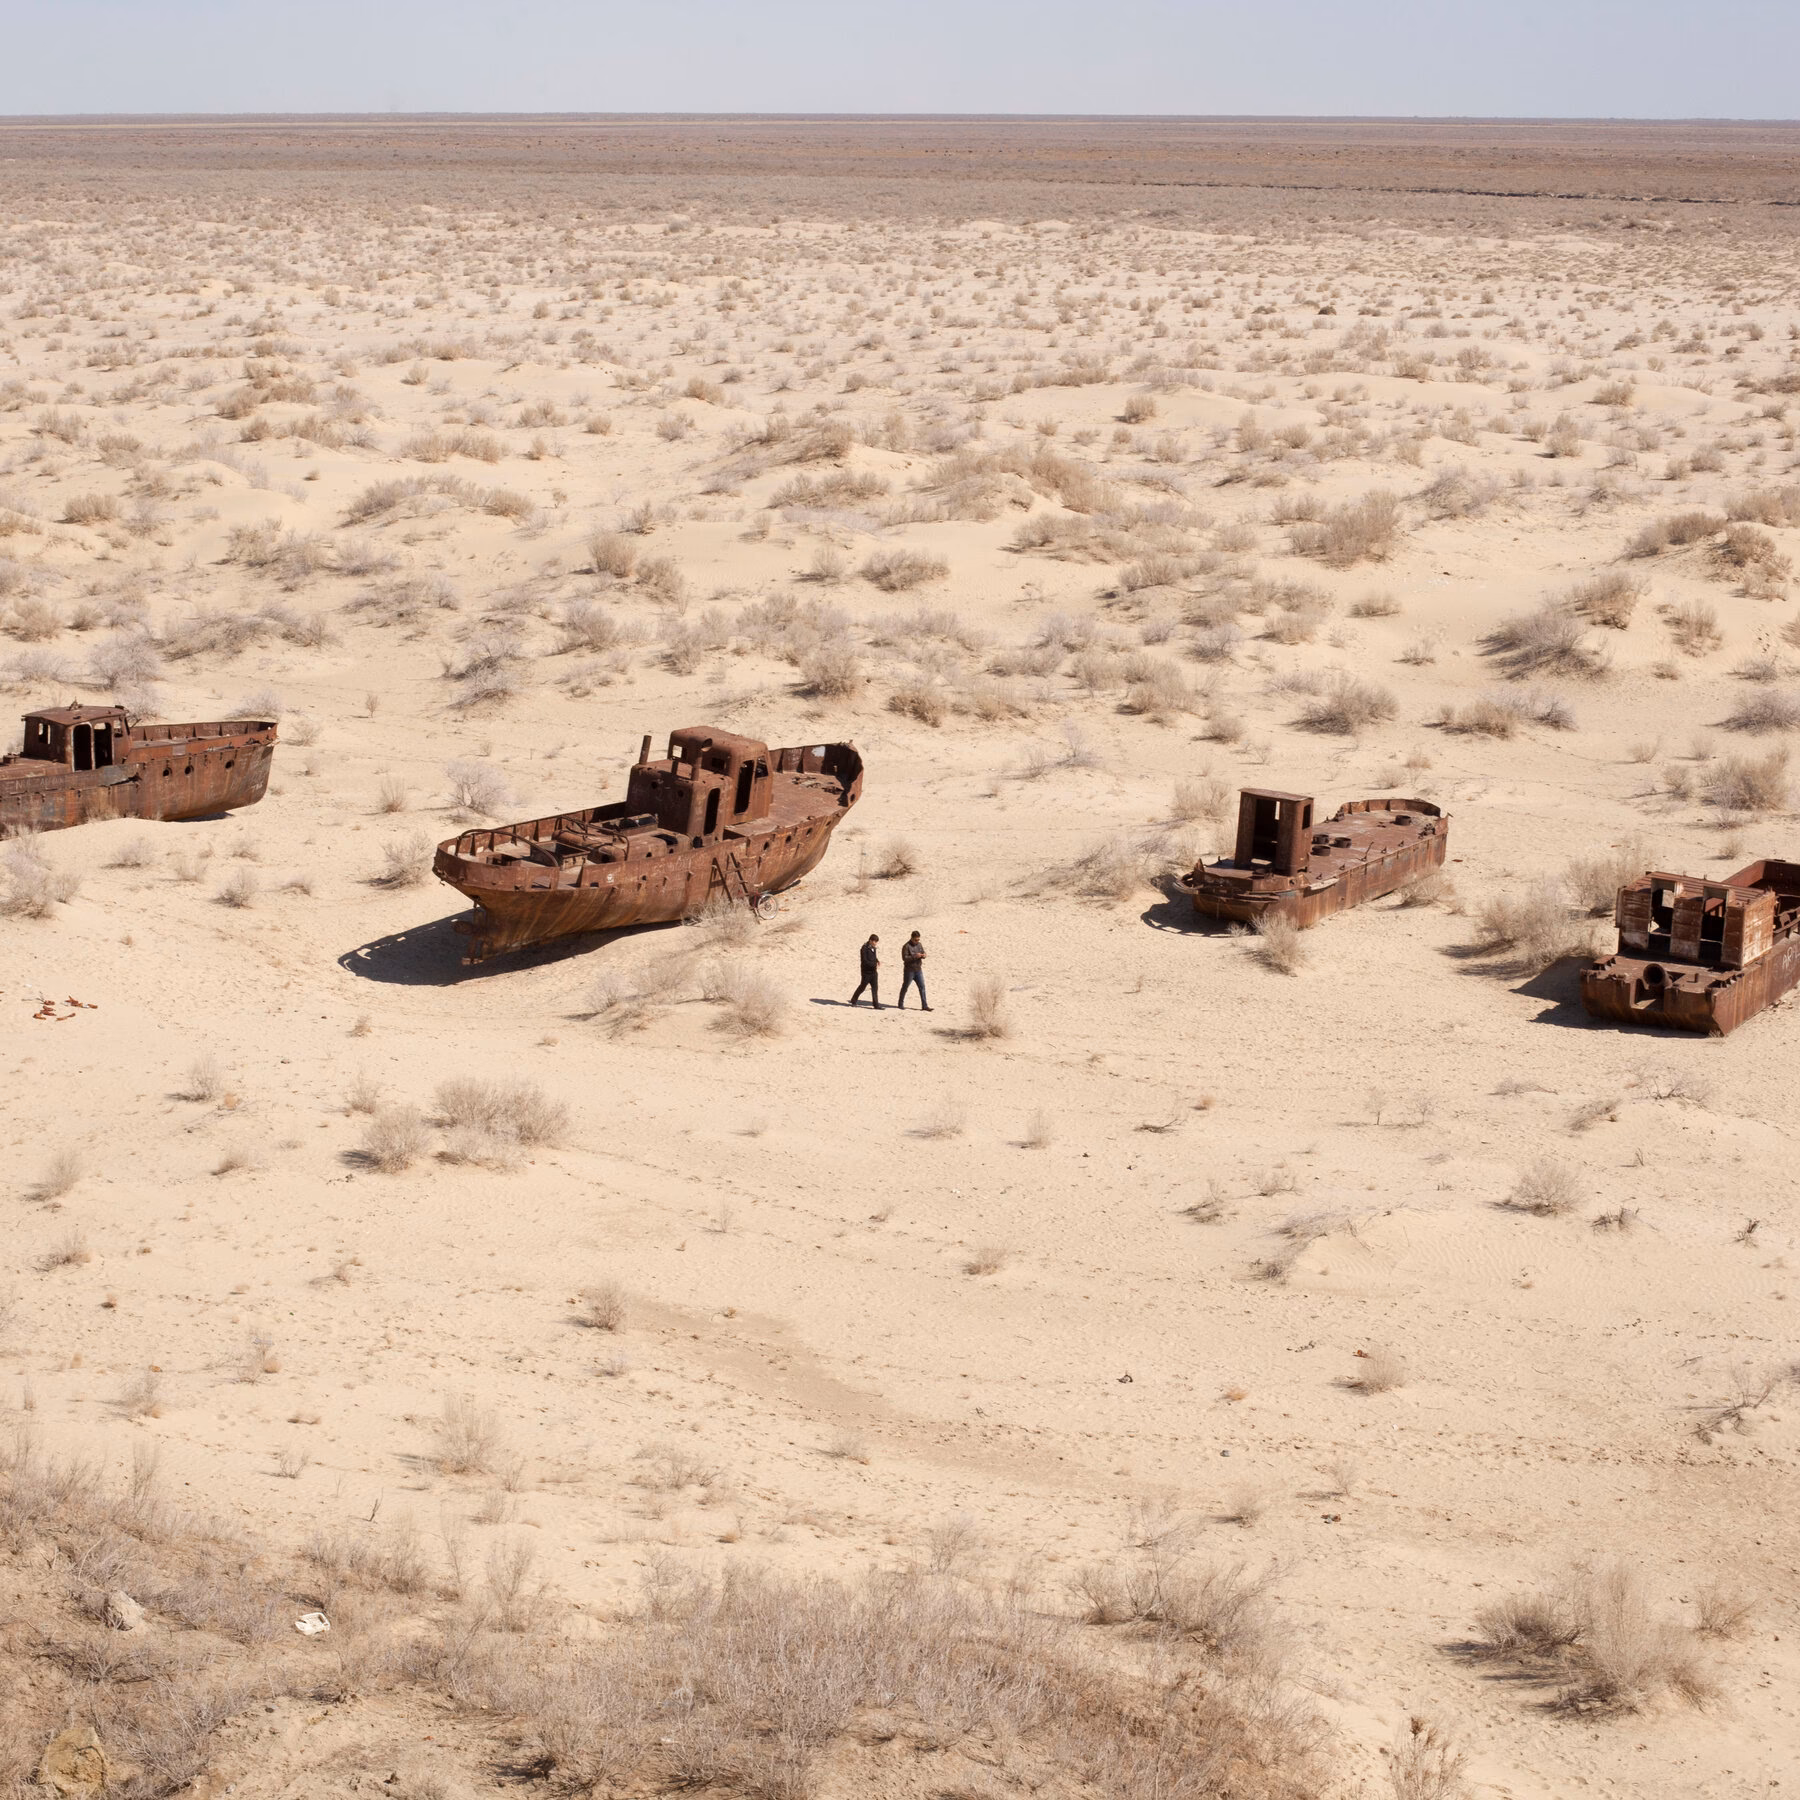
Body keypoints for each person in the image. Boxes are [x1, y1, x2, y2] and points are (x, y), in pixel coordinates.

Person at [897, 930, 931, 1010]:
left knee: (922, 987)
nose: (917, 941)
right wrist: (915, 956)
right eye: (916, 940)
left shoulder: (919, 945)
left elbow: (923, 952)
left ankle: (924, 1006)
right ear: (911, 938)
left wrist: (923, 955)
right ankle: (900, 1004)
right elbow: (904, 958)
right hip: (909, 971)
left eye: (918, 939)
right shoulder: (906, 946)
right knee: (905, 987)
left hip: (918, 970)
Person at [850, 933, 881, 1007]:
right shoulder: (864, 948)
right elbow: (864, 960)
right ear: (870, 940)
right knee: (862, 987)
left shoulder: (874, 948)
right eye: (875, 942)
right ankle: (853, 1000)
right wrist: (873, 964)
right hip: (866, 972)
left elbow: (873, 957)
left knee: (875, 988)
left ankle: (876, 1005)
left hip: (873, 971)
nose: (875, 943)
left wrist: (877, 960)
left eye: (876, 942)